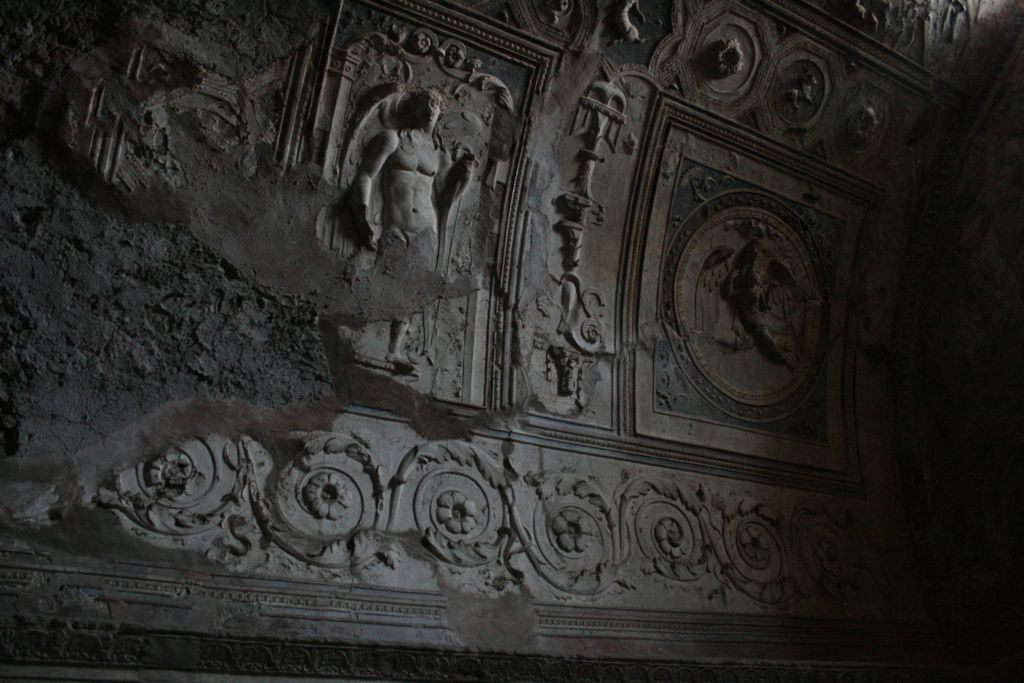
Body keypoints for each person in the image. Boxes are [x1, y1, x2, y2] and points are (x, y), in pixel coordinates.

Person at [350, 89, 477, 374]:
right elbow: (365, 175)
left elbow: (444, 199)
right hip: (395, 225)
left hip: (426, 230)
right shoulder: (394, 139)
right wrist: (361, 213)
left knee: (414, 291)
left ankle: (394, 351)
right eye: (425, 103)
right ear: (413, 108)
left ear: (441, 111)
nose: (431, 109)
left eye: (436, 104)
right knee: (384, 280)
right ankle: (362, 339)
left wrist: (465, 179)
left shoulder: (439, 154)